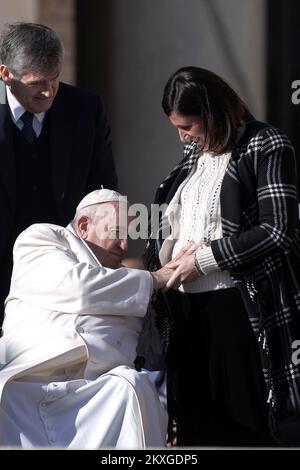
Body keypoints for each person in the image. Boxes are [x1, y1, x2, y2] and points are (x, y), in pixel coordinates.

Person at [144, 66, 300, 446]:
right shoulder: (193, 155)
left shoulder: (267, 144)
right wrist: (167, 261)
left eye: (189, 126)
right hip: (185, 315)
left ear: (212, 114)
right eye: (177, 128)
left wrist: (204, 259)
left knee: (247, 430)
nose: (183, 136)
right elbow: (175, 221)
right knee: (196, 431)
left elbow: (278, 230)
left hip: (241, 311)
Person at [0, 188, 172, 449]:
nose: (124, 245)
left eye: (127, 236)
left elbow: (152, 348)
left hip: (96, 395)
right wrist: (156, 278)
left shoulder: (127, 280)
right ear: (83, 226)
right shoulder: (42, 239)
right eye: (116, 233)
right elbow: (79, 287)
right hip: (28, 386)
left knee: (135, 387)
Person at [0, 22, 118, 325]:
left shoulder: (84, 109)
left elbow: (103, 189)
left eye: (54, 80)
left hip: (63, 271)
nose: (48, 92)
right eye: (37, 83)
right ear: (5, 74)